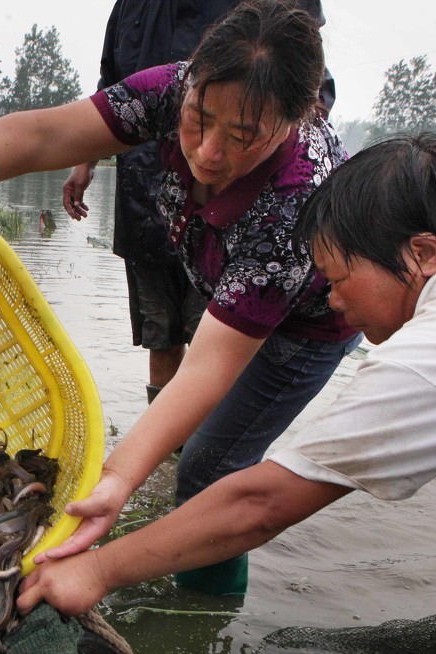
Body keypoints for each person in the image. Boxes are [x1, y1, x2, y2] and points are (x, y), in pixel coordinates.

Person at [0, 0, 358, 595]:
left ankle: (205, 614)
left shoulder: (296, 200)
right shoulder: (175, 87)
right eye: (199, 119)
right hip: (223, 270)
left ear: (296, 120)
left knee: (209, 466)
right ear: (192, 83)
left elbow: (211, 365)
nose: (207, 152)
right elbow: (45, 133)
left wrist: (116, 478)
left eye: (242, 137)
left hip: (310, 323)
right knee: (184, 438)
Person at [17, 134, 436, 654]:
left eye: (339, 278)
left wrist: (96, 570)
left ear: (423, 253)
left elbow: (262, 504)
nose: (334, 301)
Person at [62, 0, 335, 407]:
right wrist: (84, 161)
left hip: (232, 218)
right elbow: (111, 84)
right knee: (161, 332)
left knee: (213, 339)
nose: (207, 150)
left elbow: (310, 92)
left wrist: (257, 153)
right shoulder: (134, 8)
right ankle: (169, 453)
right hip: (146, 196)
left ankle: (198, 451)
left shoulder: (280, 215)